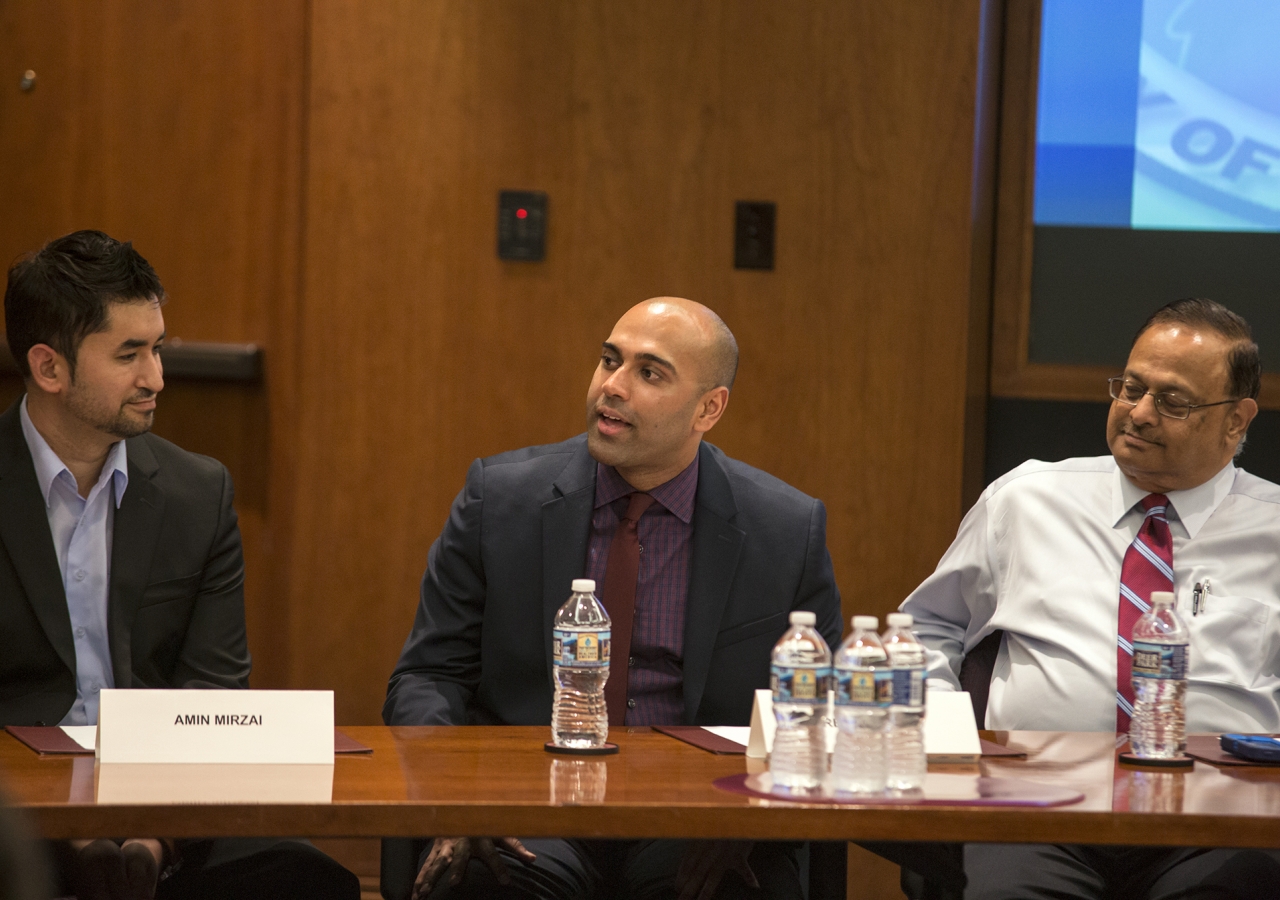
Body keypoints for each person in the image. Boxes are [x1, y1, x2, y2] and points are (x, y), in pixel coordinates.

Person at [384, 297, 842, 900]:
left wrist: (753, 820)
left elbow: (820, 711)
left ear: (709, 408)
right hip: (525, 808)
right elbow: (427, 675)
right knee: (482, 885)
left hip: (699, 815)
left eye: (649, 372)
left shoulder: (784, 529)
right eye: (609, 360)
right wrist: (457, 800)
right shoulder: (499, 501)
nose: (612, 386)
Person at [0, 230, 359, 900]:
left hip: (162, 803)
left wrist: (158, 834)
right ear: (49, 368)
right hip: (15, 817)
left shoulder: (200, 493)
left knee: (309, 881)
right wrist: (57, 827)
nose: (157, 378)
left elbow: (214, 693)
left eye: (158, 348)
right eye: (129, 354)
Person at [901, 298, 1280, 899]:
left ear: (1237, 419)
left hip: (1224, 821)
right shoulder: (1026, 500)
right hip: (1039, 809)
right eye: (1131, 388)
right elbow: (921, 632)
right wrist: (947, 736)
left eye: (1173, 401)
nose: (1140, 413)